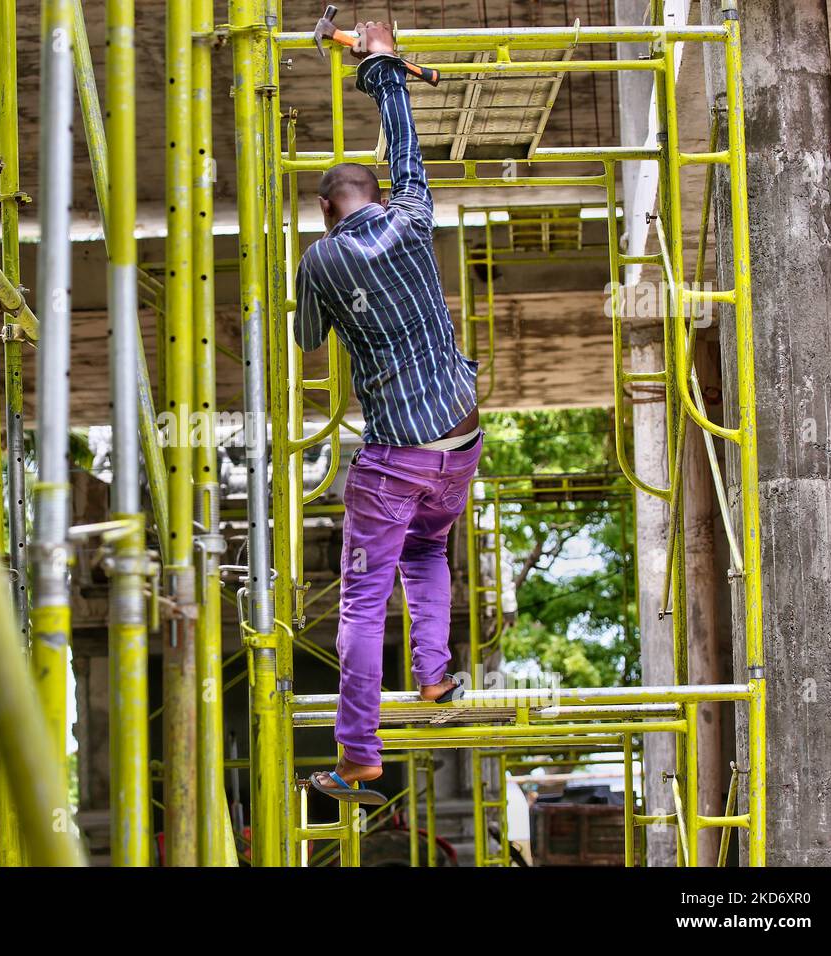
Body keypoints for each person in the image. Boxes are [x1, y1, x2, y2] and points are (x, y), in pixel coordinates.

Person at [294, 22, 481, 804]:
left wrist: (319, 281)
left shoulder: (321, 257)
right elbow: (405, 143)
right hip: (460, 439)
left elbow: (305, 340)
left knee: (363, 603)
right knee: (429, 555)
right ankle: (434, 679)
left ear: (328, 213)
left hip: (395, 454)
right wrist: (381, 66)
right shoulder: (411, 218)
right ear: (371, 195)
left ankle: (359, 755)